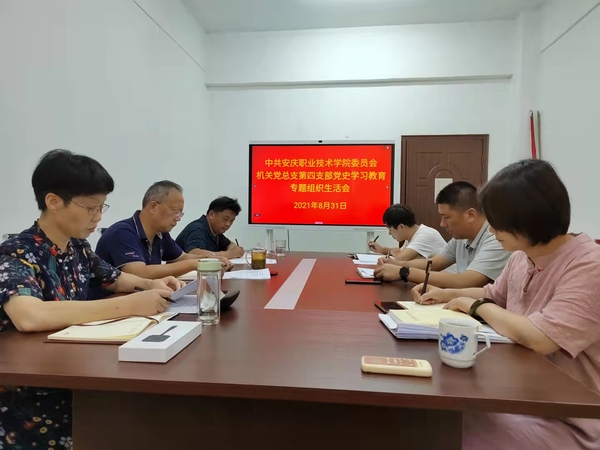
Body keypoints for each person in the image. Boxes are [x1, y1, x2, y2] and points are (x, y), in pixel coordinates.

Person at [0, 150, 184, 449]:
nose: (98, 217)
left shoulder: (78, 247)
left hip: (77, 372)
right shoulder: (17, 251)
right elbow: (29, 316)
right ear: (53, 201)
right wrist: (128, 305)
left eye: (102, 207)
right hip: (34, 396)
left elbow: (115, 278)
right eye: (90, 207)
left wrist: (152, 283)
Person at [411, 159, 600, 449]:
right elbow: (493, 294)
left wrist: (474, 306)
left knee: (447, 432)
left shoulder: (589, 266)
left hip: (572, 419)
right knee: (433, 416)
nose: (491, 229)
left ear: (529, 217)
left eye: (497, 220)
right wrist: (446, 294)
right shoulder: (521, 257)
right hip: (519, 395)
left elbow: (541, 337)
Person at [95, 181, 232, 288]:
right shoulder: (123, 232)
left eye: (181, 213)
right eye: (175, 211)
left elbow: (181, 257)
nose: (178, 218)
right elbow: (138, 273)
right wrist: (196, 263)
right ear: (153, 207)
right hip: (111, 303)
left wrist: (211, 259)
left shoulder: (160, 233)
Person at [373, 181, 510, 288]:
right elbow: (434, 264)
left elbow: (466, 281)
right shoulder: (461, 237)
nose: (442, 224)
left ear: (470, 215)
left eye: (446, 217)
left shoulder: (496, 238)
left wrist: (404, 272)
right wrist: (396, 264)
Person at [367, 204, 446, 261]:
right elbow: (401, 252)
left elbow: (401, 259)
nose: (389, 233)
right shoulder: (413, 234)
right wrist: (382, 249)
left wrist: (393, 252)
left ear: (401, 227)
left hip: (444, 278)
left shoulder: (425, 235)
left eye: (390, 229)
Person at [176, 196, 245, 259]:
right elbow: (194, 253)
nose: (228, 224)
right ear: (211, 214)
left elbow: (231, 245)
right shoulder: (197, 228)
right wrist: (228, 254)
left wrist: (233, 251)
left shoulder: (216, 231)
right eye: (225, 219)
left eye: (231, 221)